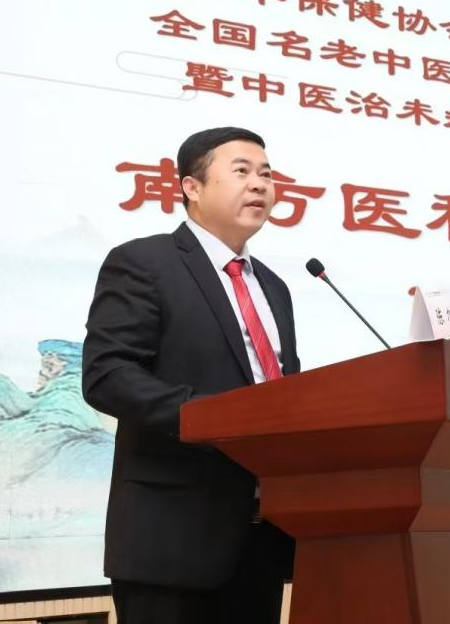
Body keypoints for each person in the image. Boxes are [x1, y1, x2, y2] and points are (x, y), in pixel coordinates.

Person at [82, 127, 296, 624]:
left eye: (266, 174)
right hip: (171, 540)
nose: (260, 184)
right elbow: (107, 374)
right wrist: (216, 419)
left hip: (260, 539)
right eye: (241, 171)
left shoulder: (274, 287)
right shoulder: (144, 262)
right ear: (192, 187)